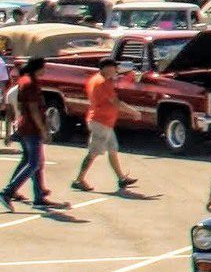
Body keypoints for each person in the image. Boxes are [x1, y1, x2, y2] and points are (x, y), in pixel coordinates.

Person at [71, 56, 136, 193]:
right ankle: (79, 179)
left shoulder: (98, 79)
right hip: (100, 122)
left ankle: (121, 178)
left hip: (104, 121)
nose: (116, 70)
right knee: (94, 152)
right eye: (114, 67)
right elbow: (116, 102)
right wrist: (133, 112)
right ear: (106, 68)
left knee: (112, 150)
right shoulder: (102, 82)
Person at [2, 58, 58, 210]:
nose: (45, 71)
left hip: (26, 126)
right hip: (31, 128)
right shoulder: (30, 84)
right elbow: (33, 109)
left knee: (36, 162)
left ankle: (39, 197)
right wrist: (42, 129)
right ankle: (8, 192)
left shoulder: (26, 81)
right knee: (33, 163)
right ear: (37, 68)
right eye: (43, 68)